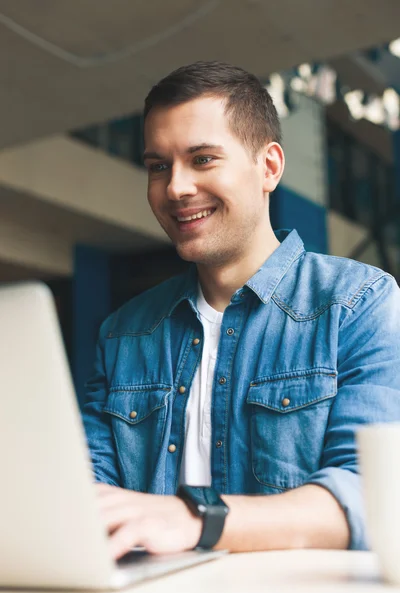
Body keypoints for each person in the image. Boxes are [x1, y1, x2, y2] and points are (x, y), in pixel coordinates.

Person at [82, 61, 400, 560]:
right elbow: (85, 490)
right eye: (158, 165)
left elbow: (369, 497)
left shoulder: (360, 302)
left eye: (203, 159)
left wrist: (197, 520)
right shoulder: (123, 332)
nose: (175, 188)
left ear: (269, 167)